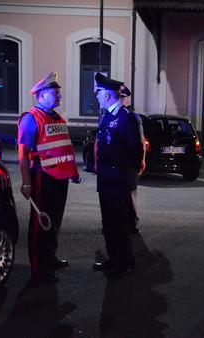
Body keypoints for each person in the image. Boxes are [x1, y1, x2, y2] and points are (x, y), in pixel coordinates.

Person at [18, 72, 81, 283]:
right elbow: (23, 154)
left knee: (54, 220)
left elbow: (63, 147)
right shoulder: (31, 118)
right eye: (56, 93)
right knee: (40, 225)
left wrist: (73, 172)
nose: (60, 97)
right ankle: (39, 269)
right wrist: (26, 182)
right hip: (42, 178)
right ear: (42, 95)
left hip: (59, 178)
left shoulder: (57, 118)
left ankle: (50, 256)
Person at [92, 73, 144, 279]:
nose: (96, 97)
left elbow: (135, 149)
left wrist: (125, 174)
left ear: (107, 96)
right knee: (109, 223)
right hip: (106, 181)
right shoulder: (107, 117)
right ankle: (113, 258)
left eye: (98, 94)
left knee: (121, 224)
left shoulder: (126, 118)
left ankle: (125, 263)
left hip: (119, 181)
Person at [120, 84, 145, 234]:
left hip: (129, 163)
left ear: (128, 100)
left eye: (124, 98)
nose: (122, 100)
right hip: (116, 164)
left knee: (131, 194)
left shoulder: (133, 118)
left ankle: (132, 221)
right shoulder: (107, 116)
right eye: (120, 97)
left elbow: (141, 140)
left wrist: (142, 160)